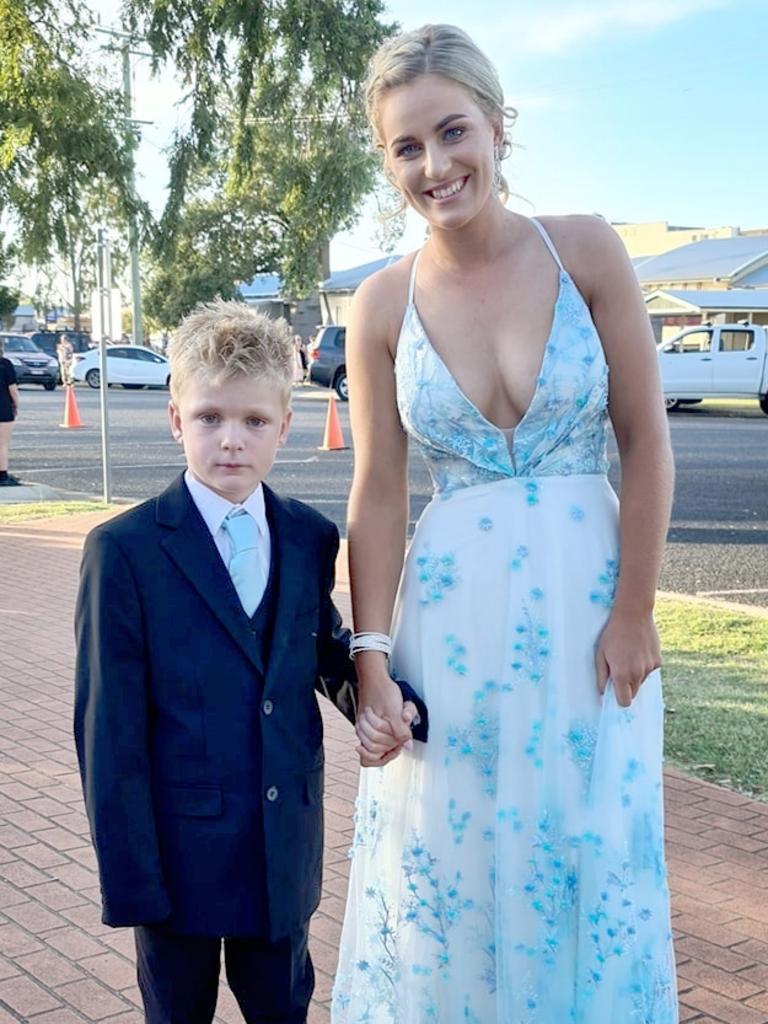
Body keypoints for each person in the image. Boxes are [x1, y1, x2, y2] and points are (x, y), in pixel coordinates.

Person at [332, 24, 678, 1023]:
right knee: (447, 860)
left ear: (498, 126)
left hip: (589, 616)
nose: (435, 165)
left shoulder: (585, 249)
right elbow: (381, 492)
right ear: (387, 159)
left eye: (452, 132)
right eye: (406, 147)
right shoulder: (380, 304)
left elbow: (646, 442)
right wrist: (370, 660)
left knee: (590, 850)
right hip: (451, 629)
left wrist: (636, 609)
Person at [74, 299, 427, 1024]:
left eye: (254, 421)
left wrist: (385, 703)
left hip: (280, 847)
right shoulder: (126, 552)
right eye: (209, 418)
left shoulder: (307, 536)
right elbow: (107, 733)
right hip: (179, 862)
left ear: (284, 427)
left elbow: (321, 648)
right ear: (177, 419)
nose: (230, 440)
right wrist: (133, 882)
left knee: (283, 1008)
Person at [0, 337, 20, 486]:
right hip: (3, 408)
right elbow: (13, 390)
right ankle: (2, 475)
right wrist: (16, 405)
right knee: (2, 444)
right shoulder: (5, 364)